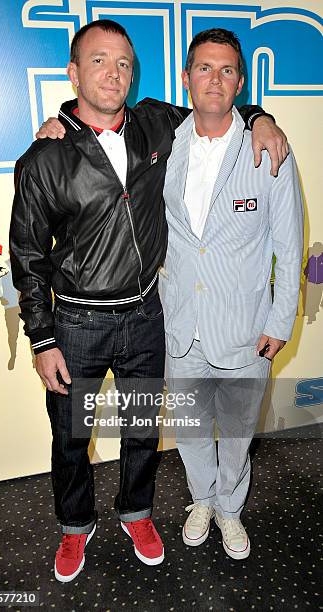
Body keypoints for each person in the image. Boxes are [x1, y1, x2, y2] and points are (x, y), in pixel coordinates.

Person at [10, 19, 288, 582]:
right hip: (77, 322)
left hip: (145, 314)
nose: (112, 73)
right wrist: (41, 338)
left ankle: (136, 513)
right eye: (98, 61)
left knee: (140, 430)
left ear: (133, 75)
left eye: (122, 64)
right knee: (71, 436)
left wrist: (263, 117)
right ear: (73, 73)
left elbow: (219, 108)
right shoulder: (43, 158)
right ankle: (74, 527)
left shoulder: (154, 124)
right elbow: (28, 256)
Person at [160, 28, 303, 560]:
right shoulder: (164, 141)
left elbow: (289, 247)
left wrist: (280, 321)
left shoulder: (268, 148)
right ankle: (202, 498)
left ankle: (230, 508)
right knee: (191, 428)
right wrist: (59, 120)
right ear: (186, 78)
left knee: (239, 431)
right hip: (181, 324)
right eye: (204, 69)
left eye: (226, 71)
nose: (214, 80)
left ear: (240, 83)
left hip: (245, 326)